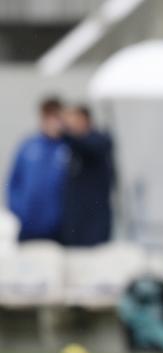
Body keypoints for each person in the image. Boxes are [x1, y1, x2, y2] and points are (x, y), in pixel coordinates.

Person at [5, 96, 70, 242]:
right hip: (27, 225)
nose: (51, 122)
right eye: (48, 117)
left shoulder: (69, 147)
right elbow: (13, 181)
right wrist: (17, 211)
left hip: (58, 228)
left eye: (56, 117)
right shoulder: (28, 146)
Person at [59, 105, 115, 247]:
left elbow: (88, 146)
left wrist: (64, 132)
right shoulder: (73, 147)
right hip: (75, 225)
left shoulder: (99, 141)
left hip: (94, 225)